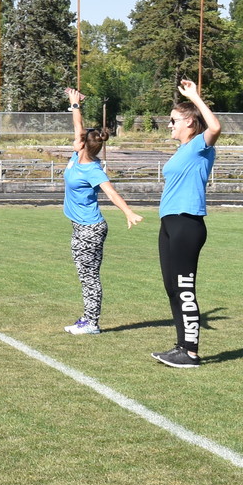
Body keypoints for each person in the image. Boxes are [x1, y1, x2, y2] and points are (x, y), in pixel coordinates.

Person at [60, 87, 143, 335]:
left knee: (89, 276)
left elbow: (111, 193)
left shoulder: (93, 170)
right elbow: (78, 125)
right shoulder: (78, 154)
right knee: (84, 273)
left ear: (85, 144)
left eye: (80, 137)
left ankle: (92, 322)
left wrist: (128, 212)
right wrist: (75, 103)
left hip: (90, 229)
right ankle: (87, 318)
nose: (76, 137)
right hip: (81, 227)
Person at [154, 79, 220, 368]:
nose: (169, 125)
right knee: (171, 287)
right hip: (169, 222)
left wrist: (195, 96)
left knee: (184, 286)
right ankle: (181, 346)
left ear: (190, 123)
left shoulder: (199, 146)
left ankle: (191, 353)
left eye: (173, 120)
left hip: (187, 223)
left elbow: (215, 127)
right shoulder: (182, 150)